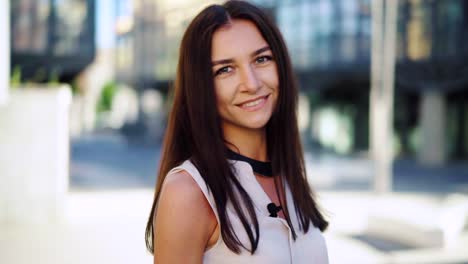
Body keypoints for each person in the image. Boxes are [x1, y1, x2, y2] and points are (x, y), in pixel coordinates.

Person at [145, 1, 329, 263]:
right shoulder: (188, 192)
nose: (251, 84)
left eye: (262, 59)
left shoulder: (289, 176)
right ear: (201, 86)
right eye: (225, 70)